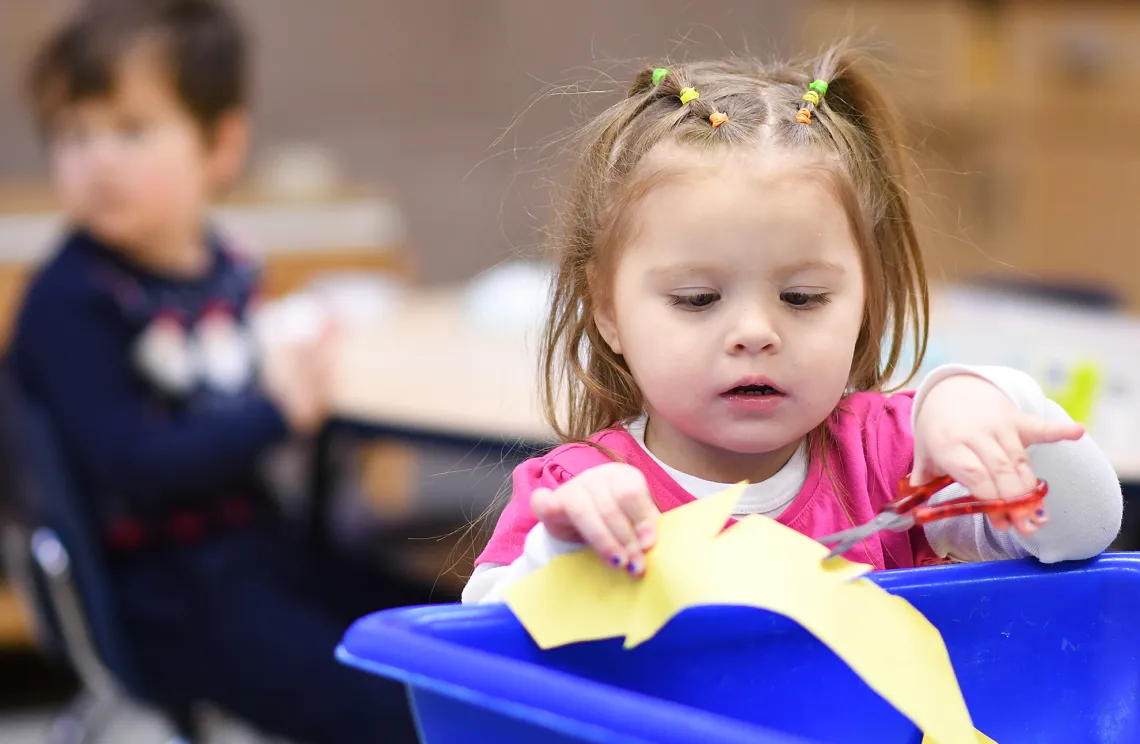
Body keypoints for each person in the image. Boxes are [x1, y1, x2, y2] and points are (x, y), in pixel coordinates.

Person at [464, 50, 1123, 604]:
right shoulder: (579, 491)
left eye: (803, 297)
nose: (755, 332)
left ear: (869, 300)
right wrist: (567, 548)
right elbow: (479, 645)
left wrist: (992, 398)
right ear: (606, 308)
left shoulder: (897, 465)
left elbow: (1084, 532)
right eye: (697, 299)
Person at [10, 2, 432, 741]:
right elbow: (132, 463)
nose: (96, 158)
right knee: (392, 703)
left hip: (257, 554)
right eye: (74, 135)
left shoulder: (228, 264)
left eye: (130, 130)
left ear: (221, 145)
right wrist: (274, 412)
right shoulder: (71, 299)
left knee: (447, 631)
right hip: (166, 597)